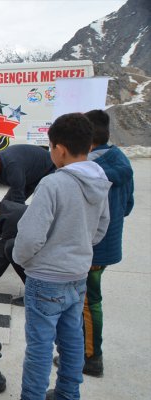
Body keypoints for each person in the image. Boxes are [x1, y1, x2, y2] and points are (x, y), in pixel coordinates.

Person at [0, 113, 111, 400]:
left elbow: (29, 238)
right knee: (71, 339)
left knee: (41, 345)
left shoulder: (54, 182)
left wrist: (21, 257)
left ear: (58, 149)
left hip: (46, 277)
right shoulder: (100, 179)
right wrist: (77, 247)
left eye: (50, 148)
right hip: (77, 274)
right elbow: (101, 228)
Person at [67, 109, 134, 377]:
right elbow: (128, 205)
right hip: (108, 243)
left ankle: (91, 357)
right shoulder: (121, 161)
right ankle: (82, 351)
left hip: (93, 246)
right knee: (87, 300)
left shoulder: (90, 170)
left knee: (87, 302)